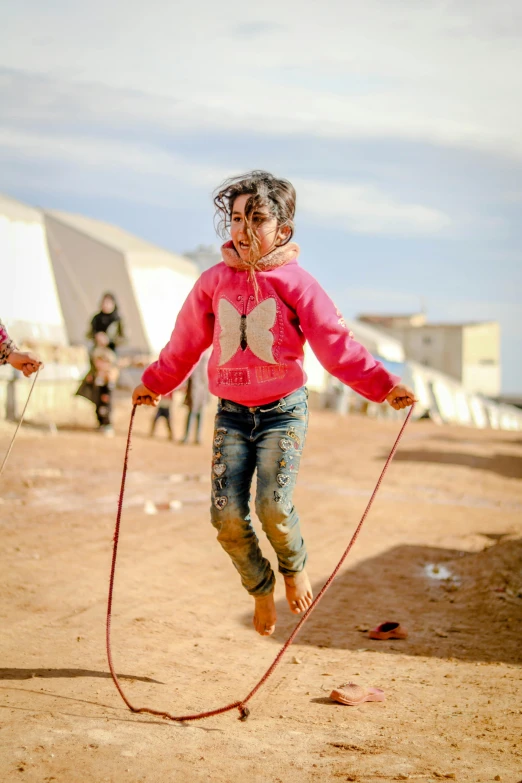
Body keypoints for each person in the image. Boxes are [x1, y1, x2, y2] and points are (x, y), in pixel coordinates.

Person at [131, 171, 416, 637]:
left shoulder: (298, 284)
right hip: (231, 414)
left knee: (272, 506)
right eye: (237, 218)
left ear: (282, 231)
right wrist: (156, 381)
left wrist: (384, 385)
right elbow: (185, 340)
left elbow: (335, 344)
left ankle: (293, 565)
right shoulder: (213, 281)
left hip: (283, 411)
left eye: (256, 219)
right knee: (224, 514)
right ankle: (260, 586)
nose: (242, 229)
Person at [76, 332, 119, 435]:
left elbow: (112, 371)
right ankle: (100, 423)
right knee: (98, 406)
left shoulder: (110, 353)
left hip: (106, 385)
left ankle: (107, 425)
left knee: (105, 407)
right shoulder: (95, 352)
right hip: (98, 384)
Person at [181, 350, 210, 445]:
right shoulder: (194, 352)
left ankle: (197, 437)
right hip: (194, 385)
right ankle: (187, 436)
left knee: (200, 413)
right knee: (192, 411)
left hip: (203, 386)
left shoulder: (208, 353)